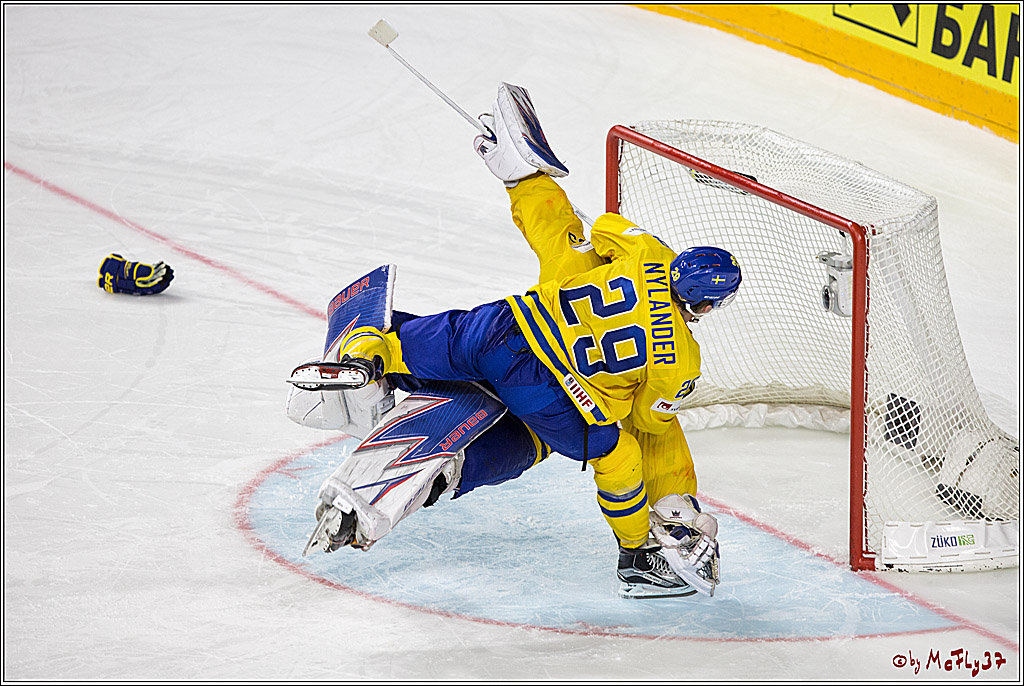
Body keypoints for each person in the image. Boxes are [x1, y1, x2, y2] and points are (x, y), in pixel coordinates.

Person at [327, 84, 740, 598]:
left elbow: (599, 228)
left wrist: (598, 244)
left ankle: (368, 361)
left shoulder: (648, 253)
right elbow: (652, 421)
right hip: (553, 394)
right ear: (707, 304)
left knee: (427, 336)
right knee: (616, 453)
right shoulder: (681, 359)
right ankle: (637, 556)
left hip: (505, 329)